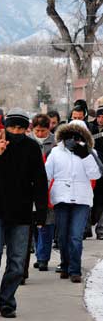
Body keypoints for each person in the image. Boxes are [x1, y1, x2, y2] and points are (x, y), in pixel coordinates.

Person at [0, 108, 48, 318]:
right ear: (5, 125)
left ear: (26, 129)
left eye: (20, 128)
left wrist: (41, 214)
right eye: (12, 127)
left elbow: (40, 181)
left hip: (21, 213)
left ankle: (7, 301)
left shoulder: (31, 147)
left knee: (17, 261)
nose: (16, 132)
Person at [46, 120, 102, 282]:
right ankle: (65, 264)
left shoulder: (90, 153)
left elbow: (95, 175)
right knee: (63, 236)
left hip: (81, 199)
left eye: (78, 137)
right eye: (70, 136)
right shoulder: (56, 152)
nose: (74, 140)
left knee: (76, 236)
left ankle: (75, 270)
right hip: (61, 198)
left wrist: (85, 155)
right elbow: (47, 174)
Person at [29, 114, 56, 272]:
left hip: (49, 188)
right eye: (37, 130)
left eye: (43, 130)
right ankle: (39, 252)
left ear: (49, 128)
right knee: (34, 224)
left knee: (47, 223)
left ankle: (43, 258)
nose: (39, 134)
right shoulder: (28, 141)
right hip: (31, 188)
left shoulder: (55, 143)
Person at [89, 106, 103, 239]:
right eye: (99, 116)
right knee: (95, 199)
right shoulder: (90, 129)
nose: (101, 119)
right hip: (93, 167)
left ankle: (101, 230)